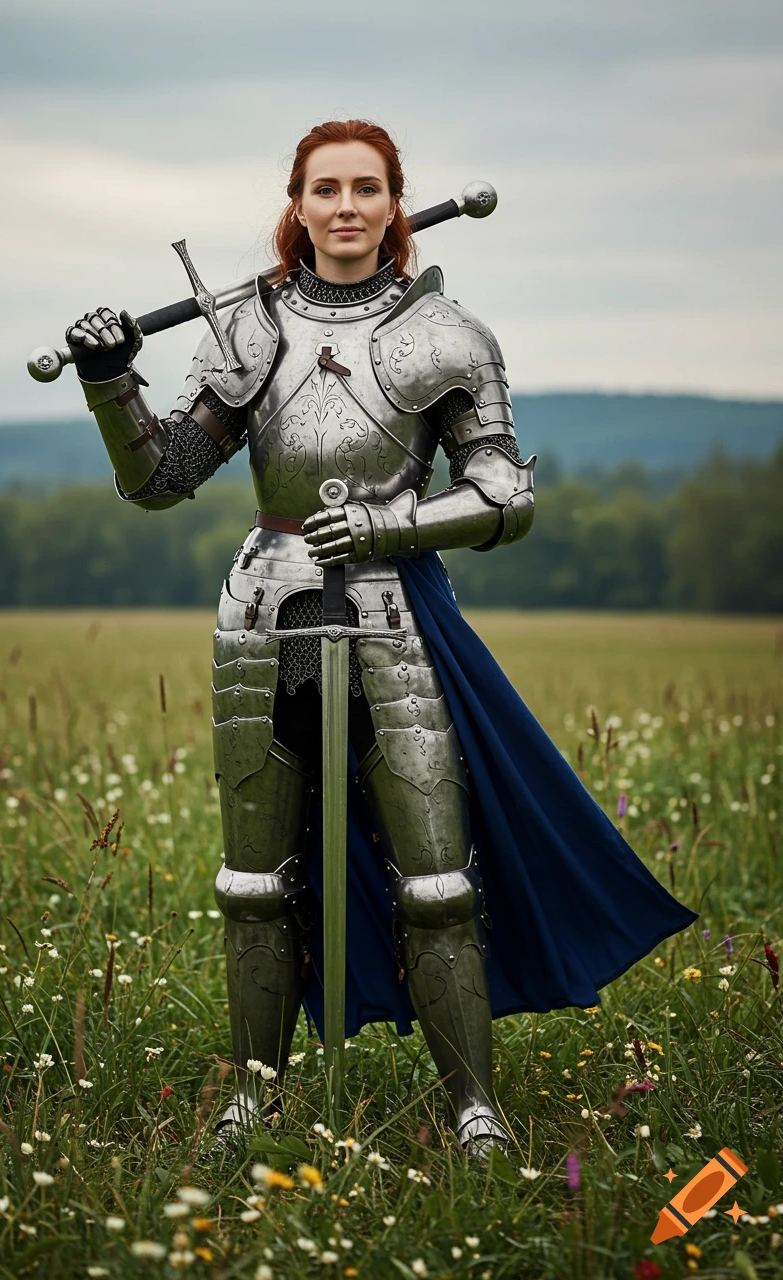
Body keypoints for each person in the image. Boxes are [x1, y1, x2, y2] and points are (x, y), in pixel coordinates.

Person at [65, 119, 698, 1160]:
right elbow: (161, 476)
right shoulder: (245, 331)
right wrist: (108, 382)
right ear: (299, 203)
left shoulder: (445, 332)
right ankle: (252, 1098)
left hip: (391, 617)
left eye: (366, 188)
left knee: (437, 883)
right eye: (327, 188)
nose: (346, 206)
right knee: (252, 883)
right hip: (265, 617)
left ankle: (472, 1105)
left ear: (393, 202)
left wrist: (385, 525)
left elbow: (504, 491)